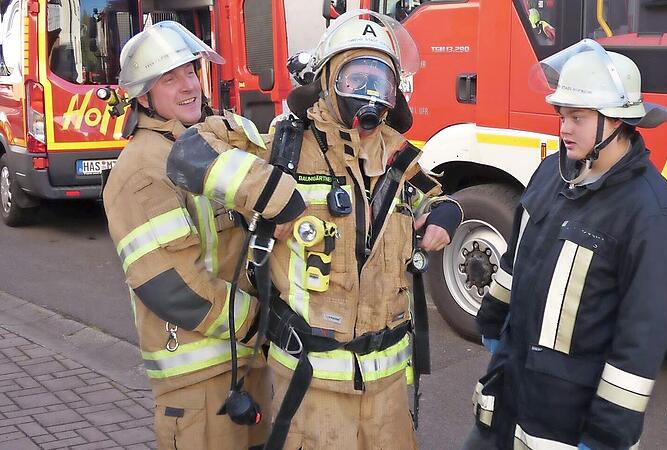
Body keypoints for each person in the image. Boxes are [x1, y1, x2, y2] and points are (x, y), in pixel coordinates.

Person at [166, 10, 463, 450]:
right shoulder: (285, 148)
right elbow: (191, 154)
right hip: (312, 391)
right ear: (326, 80)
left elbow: (434, 198)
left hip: (387, 398)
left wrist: (443, 215)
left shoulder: (398, 157)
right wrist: (267, 190)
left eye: (378, 82)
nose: (368, 95)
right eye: (354, 78)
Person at [464, 39, 667, 450]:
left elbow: (639, 344)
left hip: (565, 422)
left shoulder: (654, 216)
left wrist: (606, 438)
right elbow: (514, 263)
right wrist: (492, 322)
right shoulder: (549, 176)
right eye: (561, 115)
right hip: (506, 397)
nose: (564, 128)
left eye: (579, 117)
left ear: (618, 122)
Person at [103, 21, 305, 449]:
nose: (188, 85)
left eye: (191, 72)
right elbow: (173, 288)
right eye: (170, 78)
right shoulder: (141, 170)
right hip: (199, 383)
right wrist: (260, 324)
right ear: (143, 96)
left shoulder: (213, 141)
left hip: (246, 366)